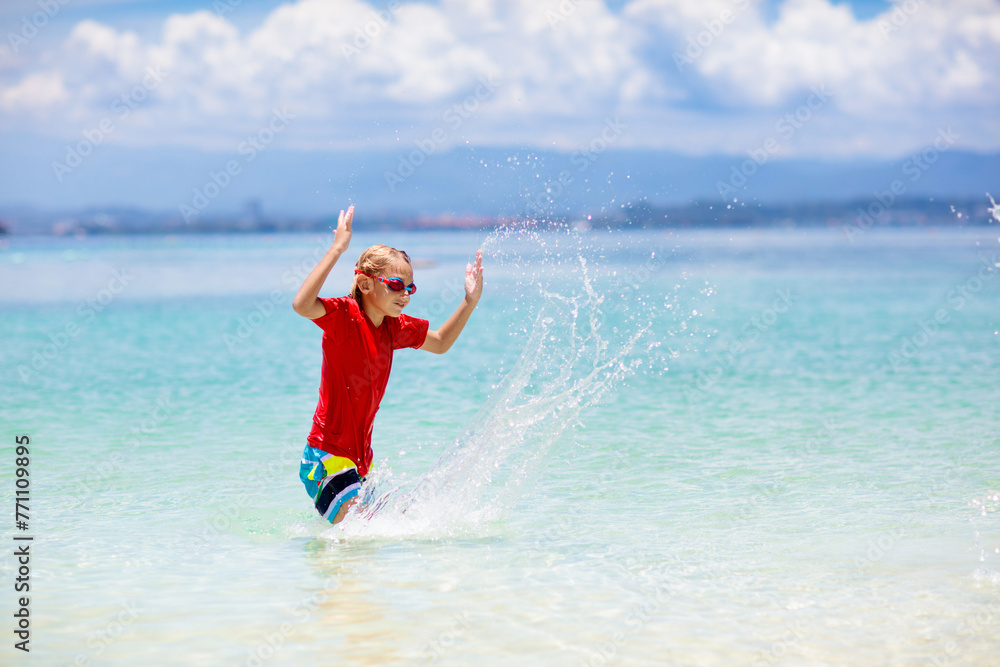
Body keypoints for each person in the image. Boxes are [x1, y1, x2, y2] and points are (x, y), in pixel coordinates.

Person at [292, 205, 484, 525]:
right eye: (396, 285)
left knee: (383, 531)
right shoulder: (344, 317)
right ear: (366, 285)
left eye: (410, 288)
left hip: (355, 464)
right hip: (325, 458)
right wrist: (338, 248)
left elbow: (440, 343)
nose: (405, 295)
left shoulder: (392, 328)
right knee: (363, 532)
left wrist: (469, 301)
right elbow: (302, 305)